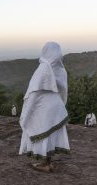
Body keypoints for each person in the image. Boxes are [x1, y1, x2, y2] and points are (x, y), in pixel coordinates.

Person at [19, 42, 70, 172]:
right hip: (57, 107)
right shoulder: (60, 69)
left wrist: (26, 112)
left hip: (43, 107)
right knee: (50, 135)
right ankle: (49, 162)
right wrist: (61, 104)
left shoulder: (43, 69)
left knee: (41, 132)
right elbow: (63, 91)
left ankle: (45, 165)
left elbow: (34, 92)